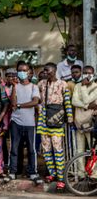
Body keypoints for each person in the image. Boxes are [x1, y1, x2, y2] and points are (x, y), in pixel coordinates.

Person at [4, 63, 43, 184]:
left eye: (24, 70)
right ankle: (12, 172)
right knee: (14, 149)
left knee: (32, 150)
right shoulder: (13, 87)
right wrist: (15, 87)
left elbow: (35, 101)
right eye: (20, 70)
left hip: (30, 123)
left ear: (29, 72)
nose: (22, 72)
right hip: (16, 122)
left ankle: (33, 173)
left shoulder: (33, 87)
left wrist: (20, 105)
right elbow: (12, 103)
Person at [37, 62, 73, 190]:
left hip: (57, 119)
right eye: (44, 70)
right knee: (46, 149)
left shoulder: (63, 84)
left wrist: (69, 117)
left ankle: (61, 177)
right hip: (43, 120)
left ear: (55, 70)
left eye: (48, 70)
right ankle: (52, 173)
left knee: (58, 150)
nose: (46, 72)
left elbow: (67, 102)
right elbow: (38, 101)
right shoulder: (41, 84)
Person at [71, 65, 97, 178]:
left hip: (91, 123)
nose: (87, 75)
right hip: (79, 122)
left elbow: (86, 98)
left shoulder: (96, 87)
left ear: (94, 74)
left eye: (89, 73)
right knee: (79, 150)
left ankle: (93, 174)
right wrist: (87, 106)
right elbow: (74, 101)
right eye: (85, 73)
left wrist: (84, 87)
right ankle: (81, 174)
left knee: (93, 150)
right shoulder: (77, 85)